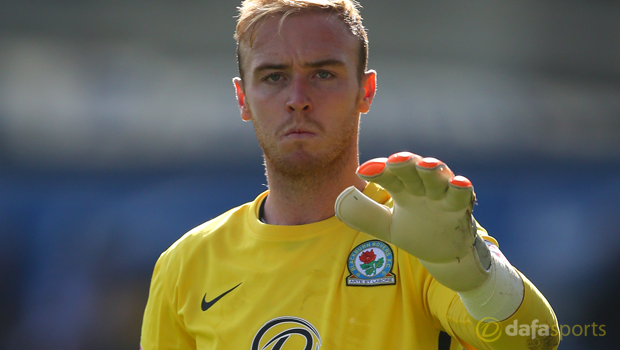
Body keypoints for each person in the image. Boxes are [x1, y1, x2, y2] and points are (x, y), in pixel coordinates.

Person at [140, 1, 560, 349]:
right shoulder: (185, 264)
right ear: (242, 98)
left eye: (323, 74)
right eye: (274, 77)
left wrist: (474, 277)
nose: (298, 100)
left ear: (366, 90)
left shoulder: (418, 233)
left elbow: (537, 339)